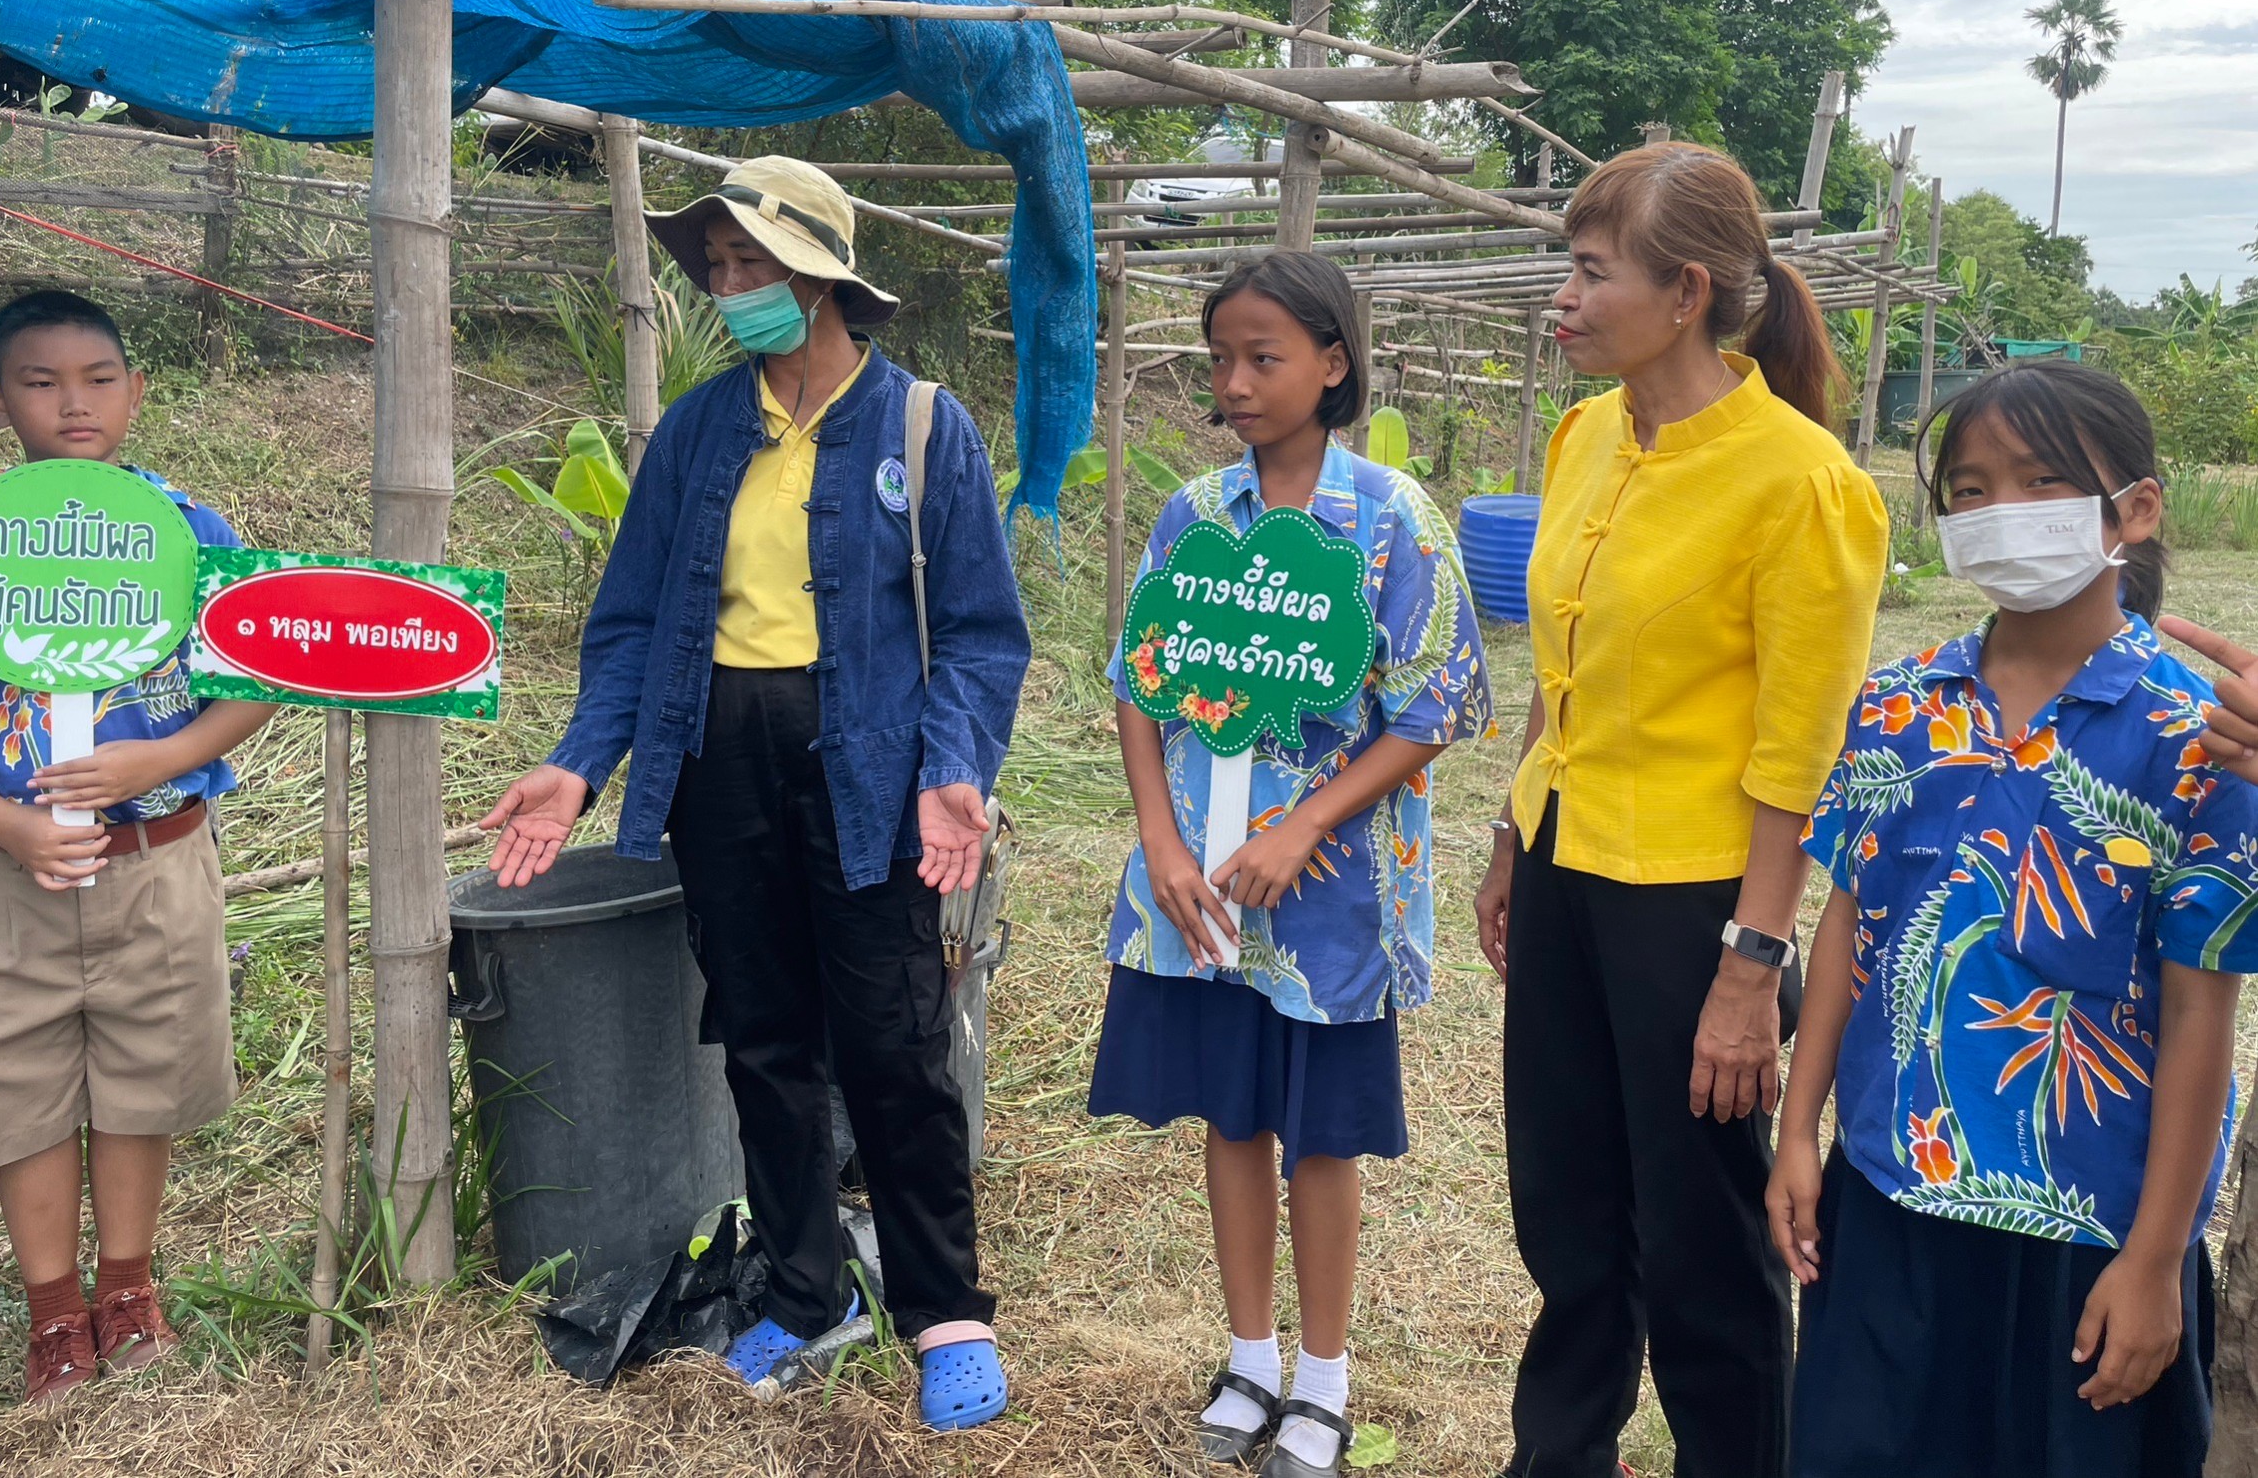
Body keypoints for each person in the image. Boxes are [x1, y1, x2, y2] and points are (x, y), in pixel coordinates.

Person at [481, 157, 1030, 1432]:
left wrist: (954, 770)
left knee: (892, 1039)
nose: (732, 291)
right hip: (717, 762)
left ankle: (946, 1311)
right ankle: (804, 1290)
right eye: (719, 270)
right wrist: (579, 762)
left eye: (753, 268)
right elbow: (631, 622)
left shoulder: (922, 427)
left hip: (869, 765)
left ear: (825, 274)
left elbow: (982, 631)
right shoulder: (698, 430)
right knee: (766, 1037)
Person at [1472, 143, 1888, 1478]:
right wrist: (1505, 839)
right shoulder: (1588, 434)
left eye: (1592, 273)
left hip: (1692, 902)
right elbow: (1562, 663)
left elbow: (1796, 750)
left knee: (1703, 1242)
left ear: (1688, 290)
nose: (1566, 297)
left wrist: (1748, 966)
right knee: (1567, 1207)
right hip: (1563, 863)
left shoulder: (1802, 482)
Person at [1770, 361, 2258, 1478]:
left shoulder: (2199, 740)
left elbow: (2198, 1018)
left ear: (2132, 510)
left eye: (2042, 482)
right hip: (1891, 1195)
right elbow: (1847, 926)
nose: (2002, 516)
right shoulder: (1899, 706)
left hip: (2090, 1237)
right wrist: (1800, 1136)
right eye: (1971, 491)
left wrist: (2154, 1259)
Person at [1088, 252, 1494, 1478]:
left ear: (1334, 362)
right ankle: (1249, 1356)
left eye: (1263, 357)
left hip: (1331, 903)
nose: (1236, 382)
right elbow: (1140, 689)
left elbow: (1437, 707)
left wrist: (1308, 821)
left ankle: (1323, 1380)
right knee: (1231, 1114)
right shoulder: (1193, 516)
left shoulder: (1392, 521)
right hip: (1201, 889)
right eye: (1220, 359)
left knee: (1320, 1135)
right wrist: (1160, 839)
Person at [0, 290, 275, 1407]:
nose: (73, 403)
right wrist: (9, 822)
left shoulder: (192, 535)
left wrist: (155, 764)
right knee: (12, 1088)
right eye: (39, 381)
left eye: (99, 380)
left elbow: (250, 675)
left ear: (137, 393)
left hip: (156, 863)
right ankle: (53, 1314)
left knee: (143, 1079)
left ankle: (128, 1290)